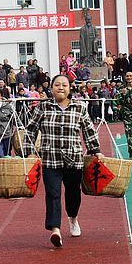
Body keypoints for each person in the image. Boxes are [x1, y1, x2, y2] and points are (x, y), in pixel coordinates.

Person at [23, 75, 104, 247]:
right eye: (57, 85)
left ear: (70, 88)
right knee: (53, 194)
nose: (61, 87)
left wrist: (95, 150)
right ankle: (55, 230)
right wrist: (29, 151)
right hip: (50, 159)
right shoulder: (43, 107)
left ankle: (73, 218)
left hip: (74, 159)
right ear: (51, 88)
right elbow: (30, 130)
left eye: (64, 85)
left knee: (73, 194)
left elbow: (89, 130)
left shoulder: (79, 107)